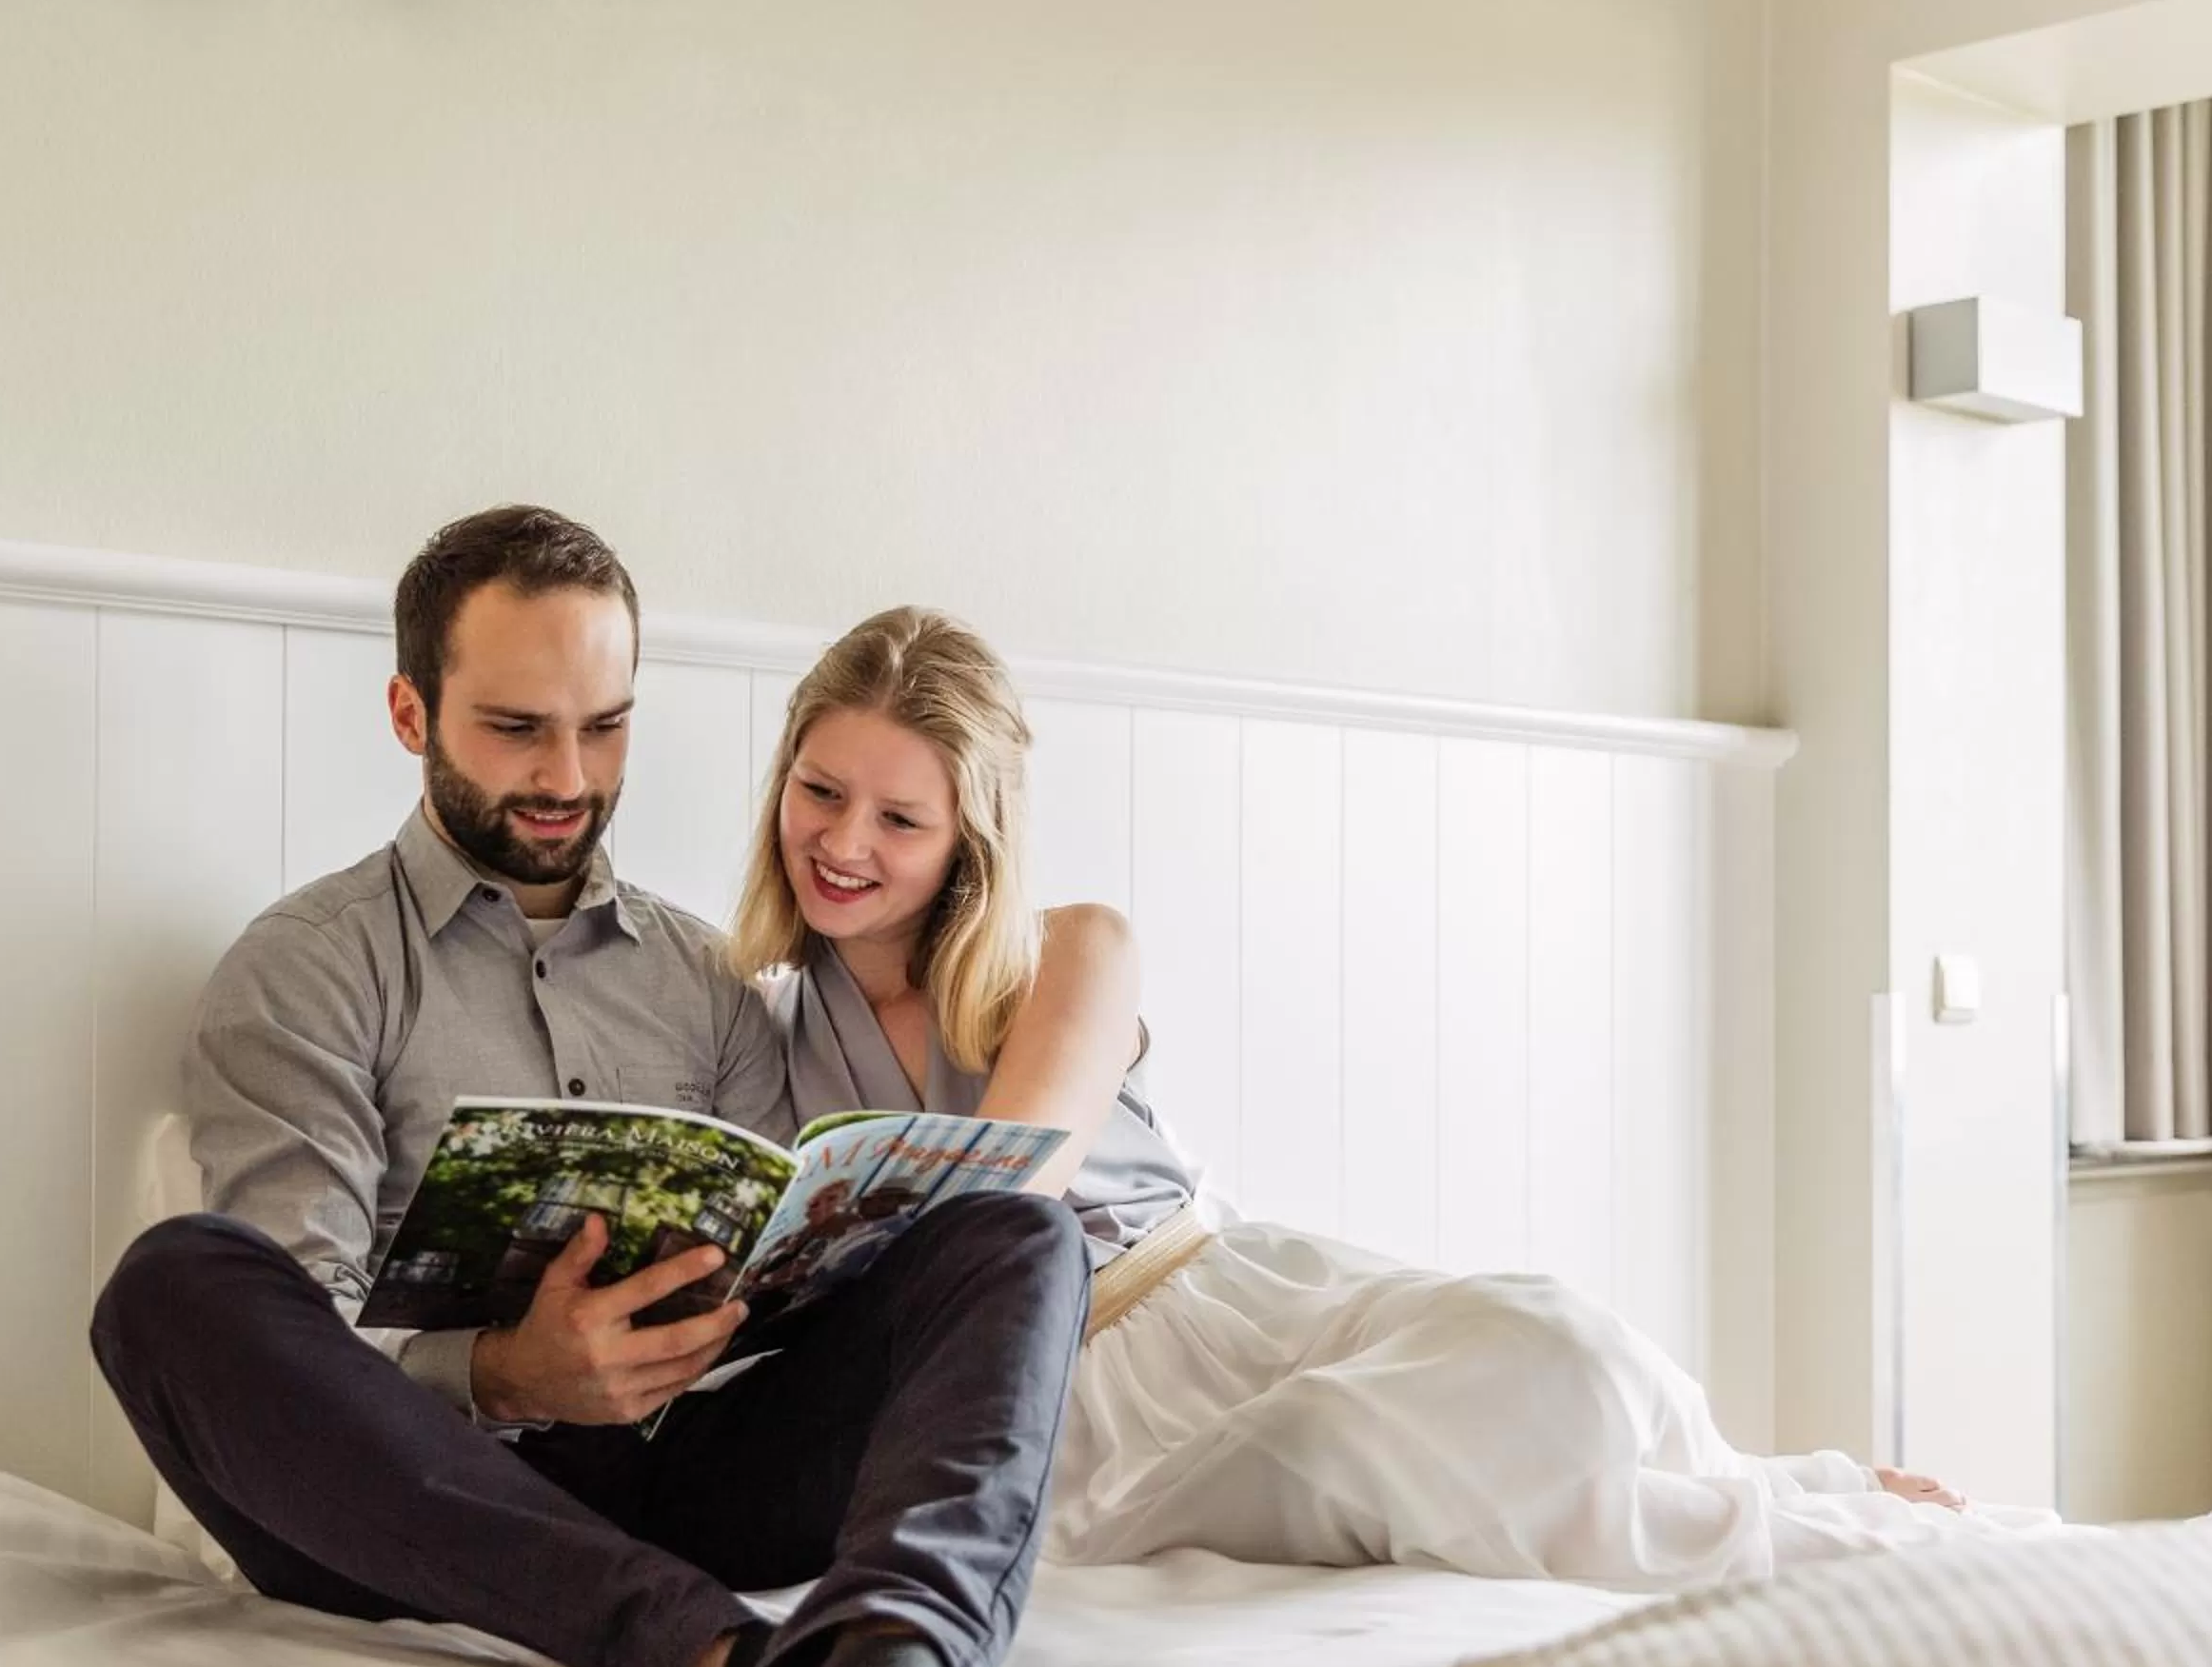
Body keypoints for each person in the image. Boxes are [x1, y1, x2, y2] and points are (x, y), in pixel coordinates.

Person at [731, 607, 2054, 1593]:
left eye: (900, 818)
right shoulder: (768, 1032)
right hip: (1056, 1396)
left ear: (973, 833)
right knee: (1369, 1446)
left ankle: (1774, 1486)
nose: (845, 844)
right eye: (821, 793)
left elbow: (1002, 1199)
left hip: (1226, 1292)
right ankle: (1811, 1537)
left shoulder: (1072, 952)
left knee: (1552, 1354)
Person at [89, 509, 1095, 1667]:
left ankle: (899, 1654)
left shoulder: (714, 982)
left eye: (604, 725)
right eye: (516, 729)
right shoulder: (307, 970)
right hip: (415, 1511)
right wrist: (507, 1375)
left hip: (691, 1463)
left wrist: (775, 1287)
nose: (567, 773)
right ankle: (750, 1664)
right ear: (412, 714)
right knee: (170, 1288)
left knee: (1016, 1224)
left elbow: (784, 1271)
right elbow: (305, 1314)